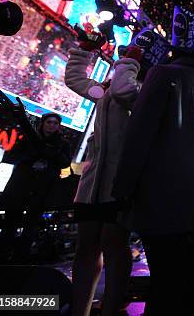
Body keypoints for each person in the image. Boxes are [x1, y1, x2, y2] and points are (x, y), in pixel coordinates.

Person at [112, 40, 194, 315]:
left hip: (158, 196)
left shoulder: (162, 75)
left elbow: (139, 134)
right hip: (193, 203)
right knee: (180, 283)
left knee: (162, 283)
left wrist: (122, 188)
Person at [64, 39, 144, 316]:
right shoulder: (108, 91)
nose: (122, 59)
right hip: (92, 182)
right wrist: (84, 50)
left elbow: (124, 90)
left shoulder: (141, 92)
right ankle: (81, 310)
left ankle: (111, 309)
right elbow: (76, 81)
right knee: (86, 246)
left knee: (113, 245)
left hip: (119, 183)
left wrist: (131, 60)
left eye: (129, 56)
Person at [0, 112, 71, 263]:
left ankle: (21, 261)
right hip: (20, 187)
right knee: (10, 225)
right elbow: (14, 156)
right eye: (49, 122)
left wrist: (50, 152)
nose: (52, 125)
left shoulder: (63, 144)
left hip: (42, 191)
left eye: (55, 123)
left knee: (30, 229)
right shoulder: (29, 139)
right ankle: (1, 259)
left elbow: (65, 163)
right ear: (43, 124)